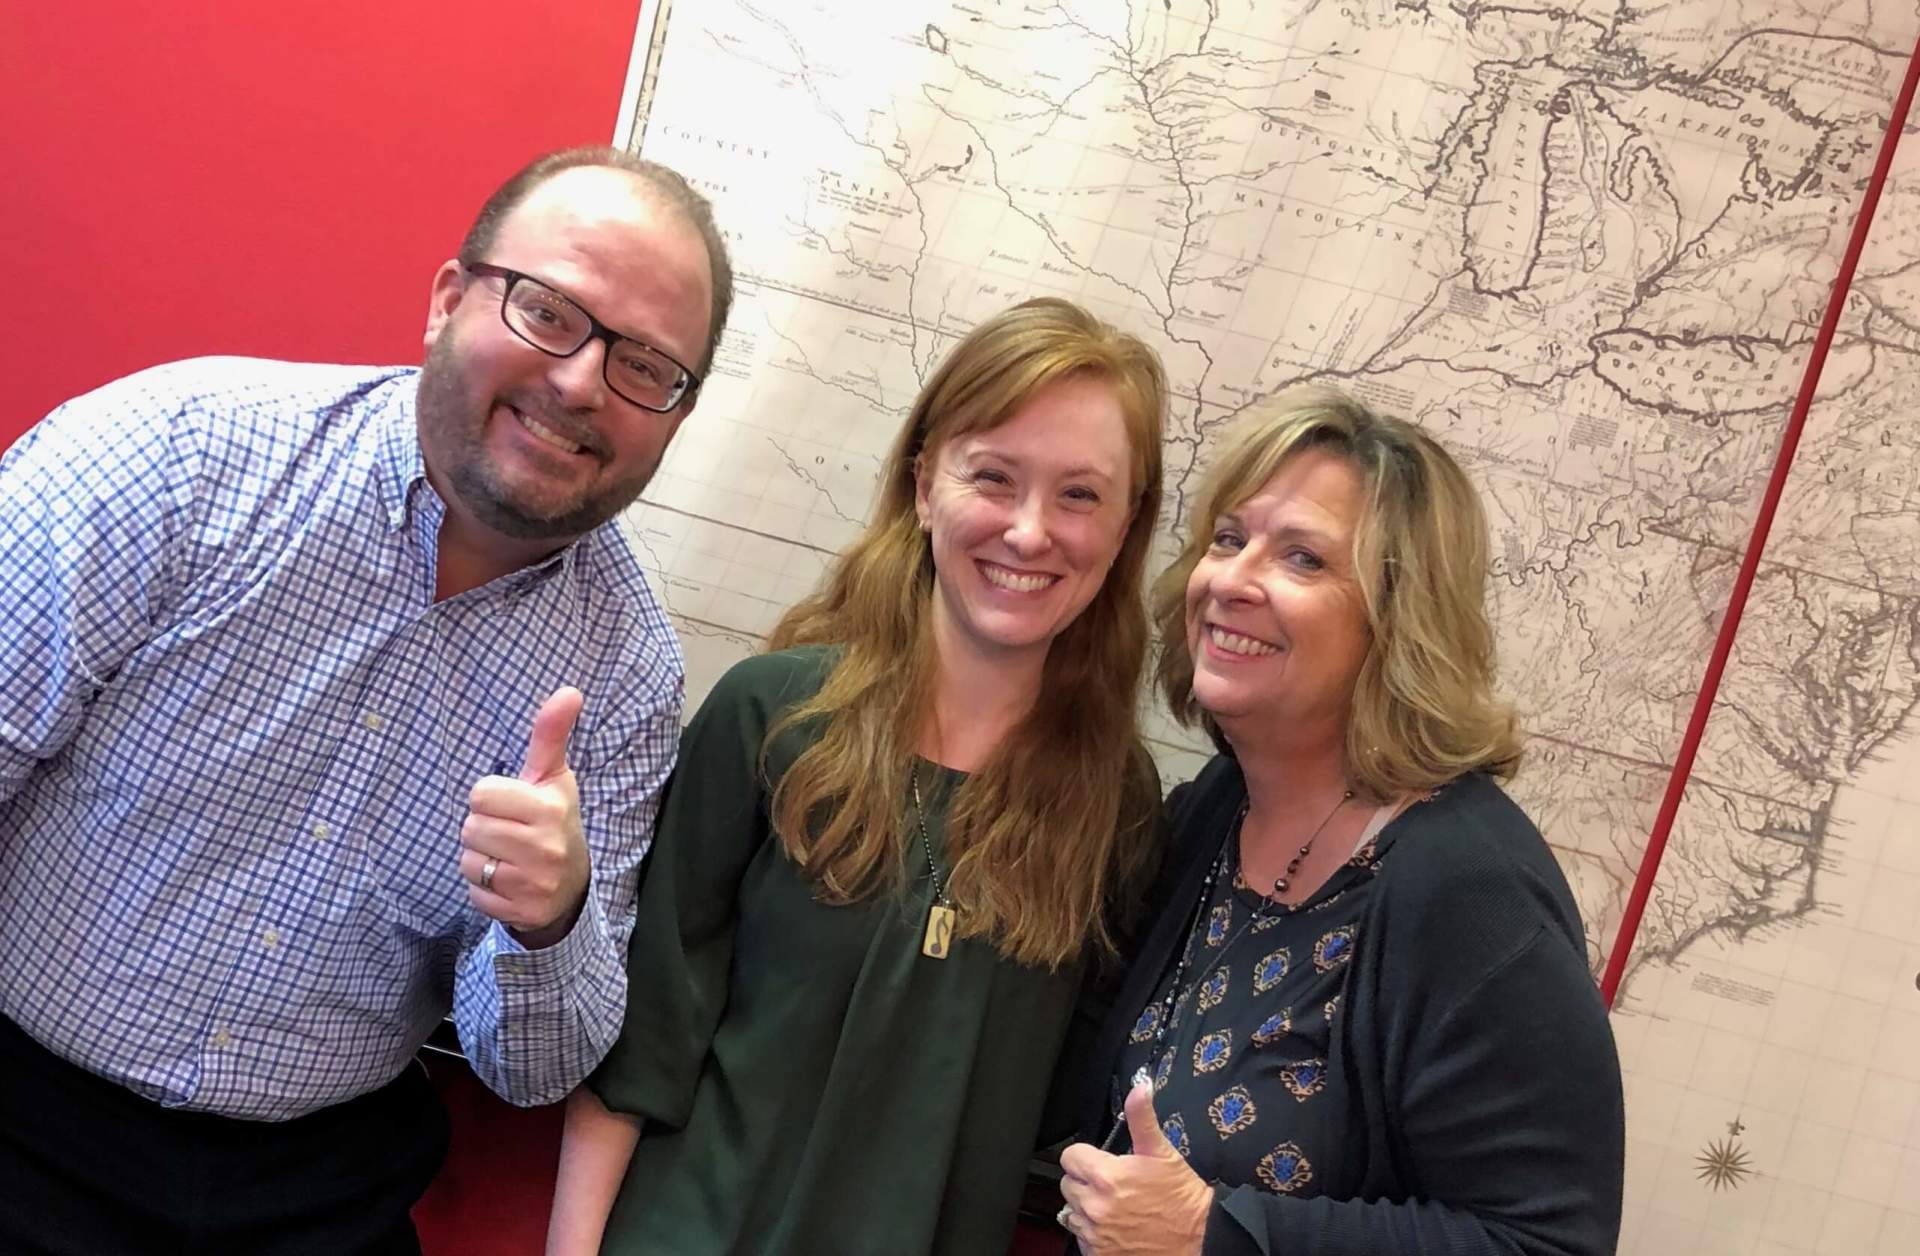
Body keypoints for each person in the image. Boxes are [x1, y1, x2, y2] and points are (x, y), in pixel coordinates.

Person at [0, 145, 733, 1254]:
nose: (582, 381)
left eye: (647, 366)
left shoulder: (625, 673)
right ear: (447, 299)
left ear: (676, 416)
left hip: (314, 1192)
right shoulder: (176, 457)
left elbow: (529, 1070)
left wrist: (551, 918)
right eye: (548, 311)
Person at [546, 297, 1169, 1256]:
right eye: (993, 477)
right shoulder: (771, 719)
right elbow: (646, 1043)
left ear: (1129, 527)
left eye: (1081, 495)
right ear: (924, 487)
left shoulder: (1118, 803)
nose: (1031, 531)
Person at [1053, 387, 1624, 1255]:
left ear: (1398, 619)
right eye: (1230, 538)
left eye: (1304, 560)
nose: (1233, 582)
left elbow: (1546, 1243)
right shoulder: (1221, 806)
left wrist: (1214, 1234)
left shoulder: (1470, 892)